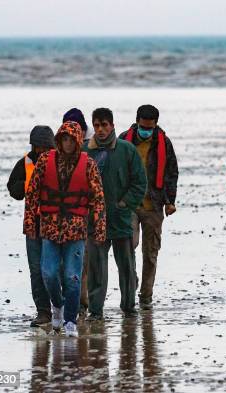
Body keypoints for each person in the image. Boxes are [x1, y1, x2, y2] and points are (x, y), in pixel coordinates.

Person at [24, 121, 106, 337]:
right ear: (59, 141)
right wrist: (30, 224)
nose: (68, 143)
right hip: (49, 229)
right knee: (48, 273)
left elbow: (98, 199)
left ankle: (70, 320)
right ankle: (57, 305)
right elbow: (32, 195)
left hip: (76, 231)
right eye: (64, 139)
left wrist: (99, 229)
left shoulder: (88, 164)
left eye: (71, 140)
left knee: (72, 277)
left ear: (78, 141)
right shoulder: (44, 161)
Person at [83, 108, 147, 320]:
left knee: (127, 266)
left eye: (105, 125)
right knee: (96, 268)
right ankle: (96, 310)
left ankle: (129, 306)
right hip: (94, 221)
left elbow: (139, 182)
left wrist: (125, 204)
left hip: (120, 218)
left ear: (112, 125)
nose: (101, 130)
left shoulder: (126, 150)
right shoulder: (85, 152)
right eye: (97, 125)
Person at [119, 105, 179, 310]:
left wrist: (170, 201)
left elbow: (172, 173)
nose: (146, 131)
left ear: (156, 125)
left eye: (150, 127)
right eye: (143, 127)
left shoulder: (164, 143)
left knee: (151, 252)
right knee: (129, 244)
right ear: (137, 122)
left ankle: (146, 296)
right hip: (129, 204)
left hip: (154, 204)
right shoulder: (123, 140)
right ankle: (132, 280)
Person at [7, 125, 55, 327]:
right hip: (33, 226)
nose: (42, 151)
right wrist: (27, 185)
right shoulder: (25, 163)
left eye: (46, 147)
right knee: (36, 270)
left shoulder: (60, 162)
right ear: (34, 147)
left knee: (54, 271)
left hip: (56, 226)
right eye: (39, 147)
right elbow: (13, 190)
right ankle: (43, 312)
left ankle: (64, 309)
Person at [62, 107, 92, 315]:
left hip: (86, 212)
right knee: (69, 261)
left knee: (84, 259)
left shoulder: (91, 148)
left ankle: (82, 301)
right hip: (65, 214)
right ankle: (74, 301)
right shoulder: (60, 147)